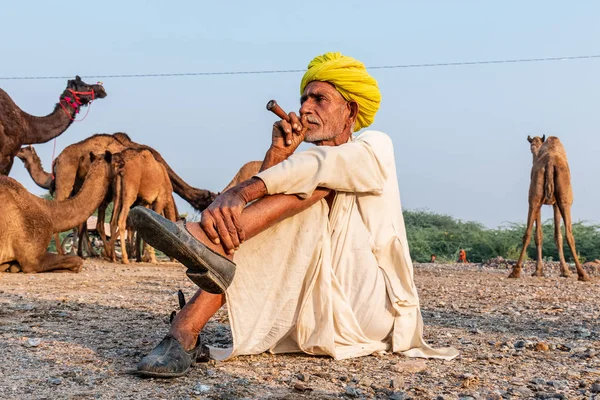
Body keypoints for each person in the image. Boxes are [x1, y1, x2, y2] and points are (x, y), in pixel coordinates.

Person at [130, 52, 459, 378]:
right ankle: (214, 251)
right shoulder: (303, 167)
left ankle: (187, 321)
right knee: (282, 178)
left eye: (320, 99)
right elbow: (279, 203)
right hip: (312, 314)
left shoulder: (374, 147)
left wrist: (242, 191)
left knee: (317, 185)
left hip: (372, 312)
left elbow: (325, 166)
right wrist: (277, 154)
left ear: (351, 111)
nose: (304, 108)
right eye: (304, 99)